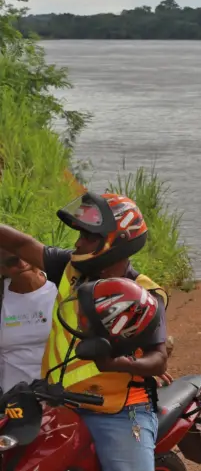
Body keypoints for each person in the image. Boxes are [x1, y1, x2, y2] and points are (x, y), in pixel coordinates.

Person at [0, 192, 169, 471]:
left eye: (88, 237)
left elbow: (159, 359)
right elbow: (20, 242)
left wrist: (115, 363)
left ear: (116, 242)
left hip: (117, 411)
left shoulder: (144, 294)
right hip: (54, 402)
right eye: (80, 234)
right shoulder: (70, 269)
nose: (78, 242)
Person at [0, 249, 58, 393]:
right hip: (12, 398)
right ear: (2, 269)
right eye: (13, 261)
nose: (23, 264)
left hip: (59, 394)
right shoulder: (2, 296)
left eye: (28, 257)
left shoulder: (62, 288)